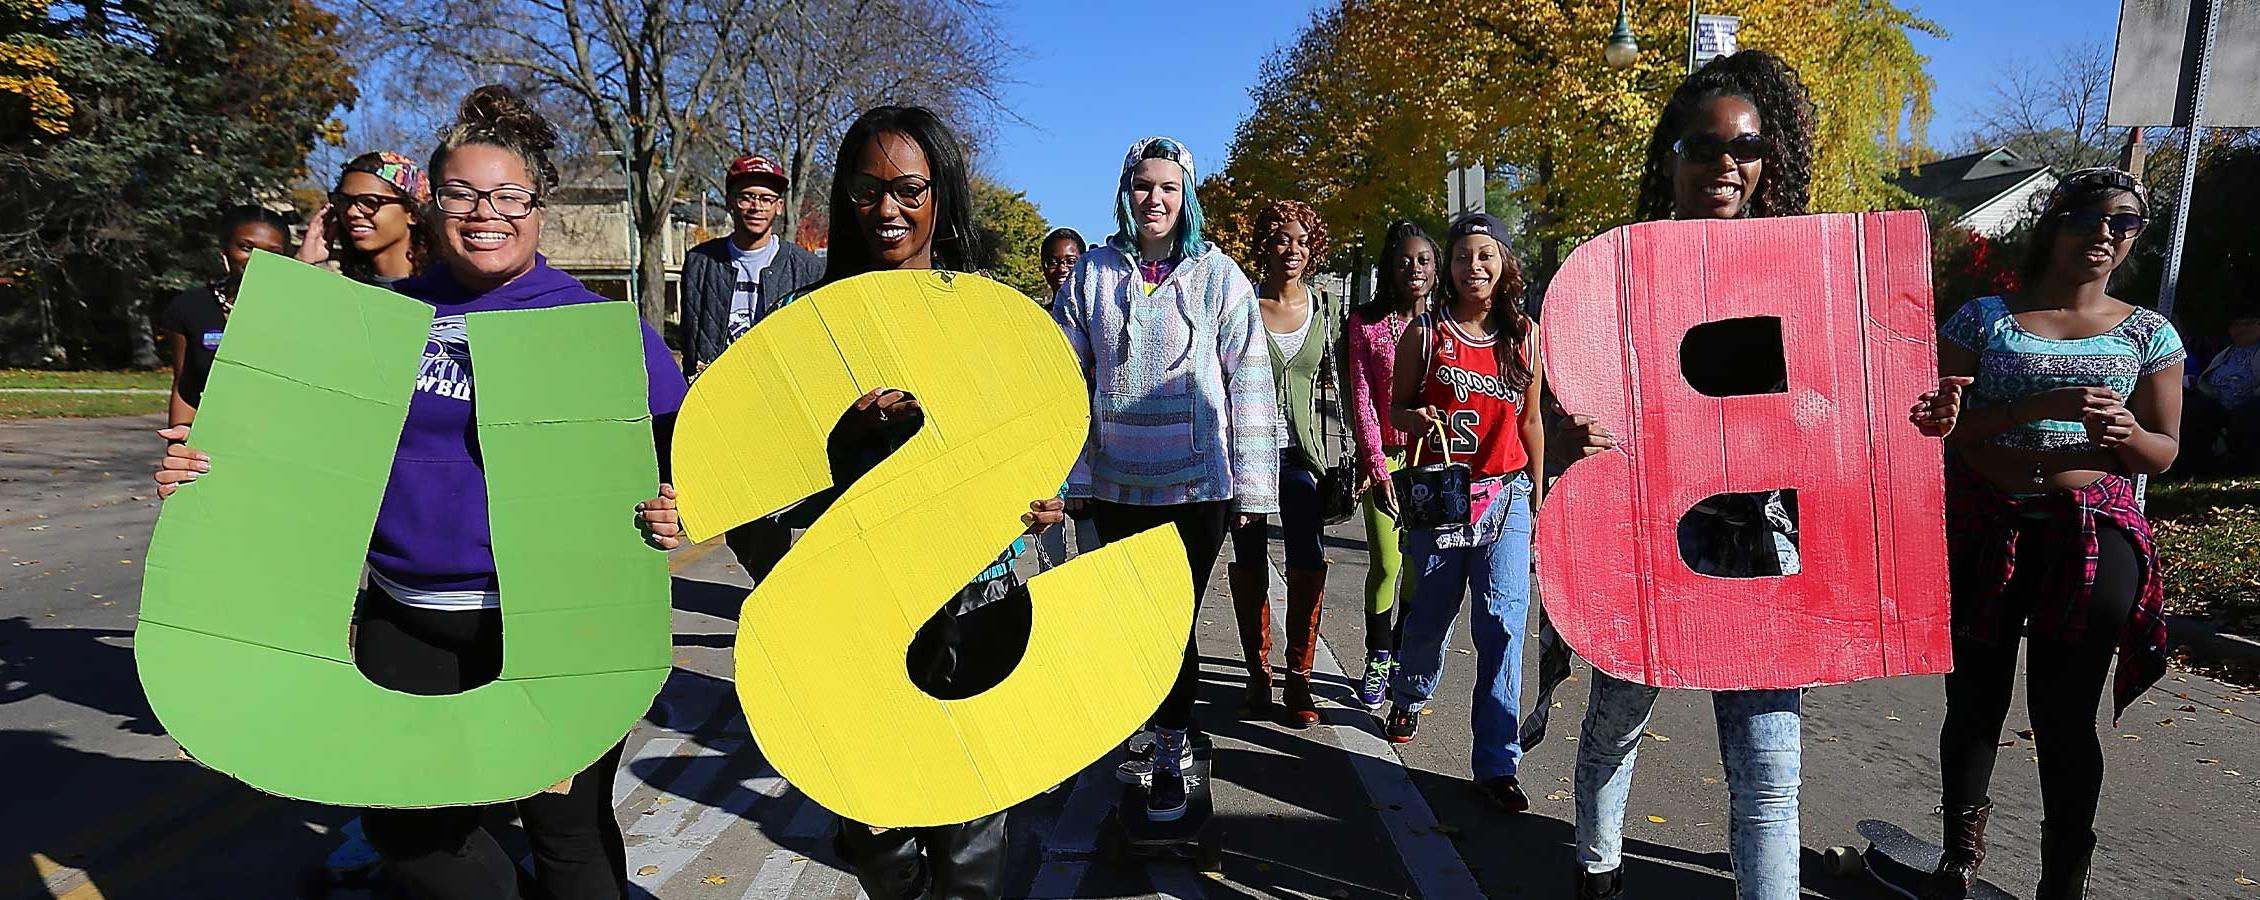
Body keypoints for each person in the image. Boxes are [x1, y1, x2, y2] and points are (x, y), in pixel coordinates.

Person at [157, 84, 689, 900]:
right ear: (432, 206)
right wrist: (205, 474)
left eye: (510, 195)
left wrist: (677, 500)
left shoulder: (598, 331)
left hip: (557, 626)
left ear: (539, 207)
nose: (487, 213)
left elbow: (684, 452)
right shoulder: (382, 321)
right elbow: (285, 449)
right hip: (408, 619)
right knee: (411, 833)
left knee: (567, 834)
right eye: (462, 194)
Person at [676, 104, 1063, 900]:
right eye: (866, 190)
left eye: (908, 189)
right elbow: (753, 477)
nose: (887, 210)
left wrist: (1047, 502)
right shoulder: (807, 327)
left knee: (970, 832)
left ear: (941, 196)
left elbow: (1036, 439)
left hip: (976, 597)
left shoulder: (986, 319)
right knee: (868, 826)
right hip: (856, 605)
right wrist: (835, 454)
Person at [1552, 50, 1818, 900]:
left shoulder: (1799, 277)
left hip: (1761, 544)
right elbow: (1575, 408)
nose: (1725, 165)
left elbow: (1830, 407)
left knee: (1769, 770)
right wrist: (1573, 434)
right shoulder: (1618, 275)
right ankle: (1597, 870)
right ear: (1672, 154)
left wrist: (1909, 421)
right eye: (1704, 147)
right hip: (1648, 536)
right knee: (1617, 721)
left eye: (1744, 148)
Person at [1908, 165, 2184, 900]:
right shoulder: (1981, 319)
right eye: (2089, 217)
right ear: (2053, 222)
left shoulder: (2149, 333)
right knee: (1973, 703)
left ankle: (2063, 882)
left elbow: (2164, 450)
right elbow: (1944, 431)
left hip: (2090, 536)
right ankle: (1958, 861)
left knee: (2063, 717)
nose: (2105, 234)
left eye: (2124, 223)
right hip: (1983, 525)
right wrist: (2043, 405)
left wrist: (2129, 431)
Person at [1053, 136, 1279, 823]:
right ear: (1126, 191)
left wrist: (1253, 489)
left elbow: (1250, 382)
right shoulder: (1091, 274)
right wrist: (1076, 476)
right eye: (1144, 186)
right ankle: (1144, 733)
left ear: (1187, 198)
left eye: (1168, 188)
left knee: (1169, 624)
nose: (1155, 199)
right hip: (1117, 487)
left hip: (1196, 490)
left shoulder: (1220, 276)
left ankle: (1174, 748)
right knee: (1130, 623)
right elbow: (1066, 381)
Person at [1380, 211, 1544, 814]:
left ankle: (1497, 763)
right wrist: (1414, 420)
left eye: (1486, 255)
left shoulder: (1525, 334)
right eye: (1462, 256)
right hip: (1443, 499)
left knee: (1502, 626)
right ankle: (1409, 691)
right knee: (1431, 617)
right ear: (1447, 268)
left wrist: (1538, 490)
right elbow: (1394, 408)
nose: (1474, 267)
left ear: (1503, 263)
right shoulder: (1425, 334)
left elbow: (1529, 422)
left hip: (1507, 497)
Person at [678, 154, 826, 582]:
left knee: (791, 510)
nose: (756, 206)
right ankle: (773, 581)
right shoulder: (701, 262)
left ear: (779, 205)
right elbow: (693, 330)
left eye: (766, 197)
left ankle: (792, 589)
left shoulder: (806, 266)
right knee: (742, 523)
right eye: (747, 197)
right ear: (730, 202)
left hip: (784, 412)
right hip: (723, 411)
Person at [1225, 199, 1339, 729]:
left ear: (1312, 248)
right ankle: (1257, 674)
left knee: (1308, 559)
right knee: (1249, 560)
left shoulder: (1325, 308)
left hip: (1303, 457)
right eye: (1280, 239)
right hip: (1246, 454)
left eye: (1300, 240)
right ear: (1265, 245)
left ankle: (1299, 677)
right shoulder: (1241, 304)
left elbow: (1351, 378)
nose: (1290, 249)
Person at [1343, 219, 1436, 710]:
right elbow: (1361, 397)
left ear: (1436, 270)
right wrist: (1376, 465)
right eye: (1405, 260)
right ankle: (1377, 657)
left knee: (1423, 566)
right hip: (1386, 459)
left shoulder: (1448, 324)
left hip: (1434, 461)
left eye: (1423, 260)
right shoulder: (1366, 324)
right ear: (1390, 268)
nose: (1414, 268)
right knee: (1386, 562)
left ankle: (1402, 653)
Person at [160, 205, 290, 428]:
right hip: (215, 442)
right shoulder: (190, 307)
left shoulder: (294, 311)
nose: (257, 259)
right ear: (225, 250)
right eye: (246, 247)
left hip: (281, 440)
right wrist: (178, 446)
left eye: (273, 253)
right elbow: (186, 387)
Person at [1032, 226, 1104, 571]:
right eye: (1052, 261)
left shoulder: (1099, 321)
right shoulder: (1032, 321)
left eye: (1069, 261)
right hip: (1047, 454)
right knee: (1051, 567)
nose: (1060, 269)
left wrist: (1082, 476)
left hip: (1092, 455)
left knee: (1093, 561)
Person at [296, 151, 434, 287]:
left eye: (370, 202)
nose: (351, 212)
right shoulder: (344, 292)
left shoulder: (443, 292)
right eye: (344, 201)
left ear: (412, 213)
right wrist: (303, 264)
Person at [2180, 309, 2260, 476]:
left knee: (2248, 415)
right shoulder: (2227, 352)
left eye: (2248, 324)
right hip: (2216, 401)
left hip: (2249, 403)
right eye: (2236, 325)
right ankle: (2196, 466)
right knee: (2192, 409)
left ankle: (2242, 466)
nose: (2242, 329)